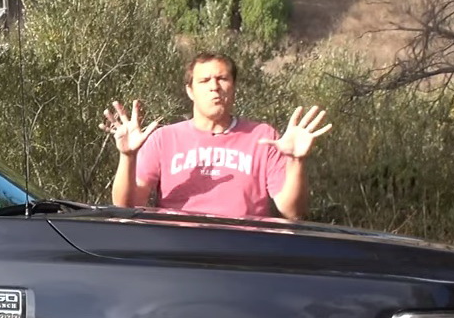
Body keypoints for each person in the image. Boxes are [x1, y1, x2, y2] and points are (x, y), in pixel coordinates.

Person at [101, 52, 331, 221]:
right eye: (204, 81)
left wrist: (297, 161)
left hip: (246, 254)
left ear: (233, 86)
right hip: (176, 253)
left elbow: (293, 212)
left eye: (222, 79)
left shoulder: (263, 136)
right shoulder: (164, 139)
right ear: (190, 90)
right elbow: (126, 207)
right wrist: (128, 156)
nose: (215, 87)